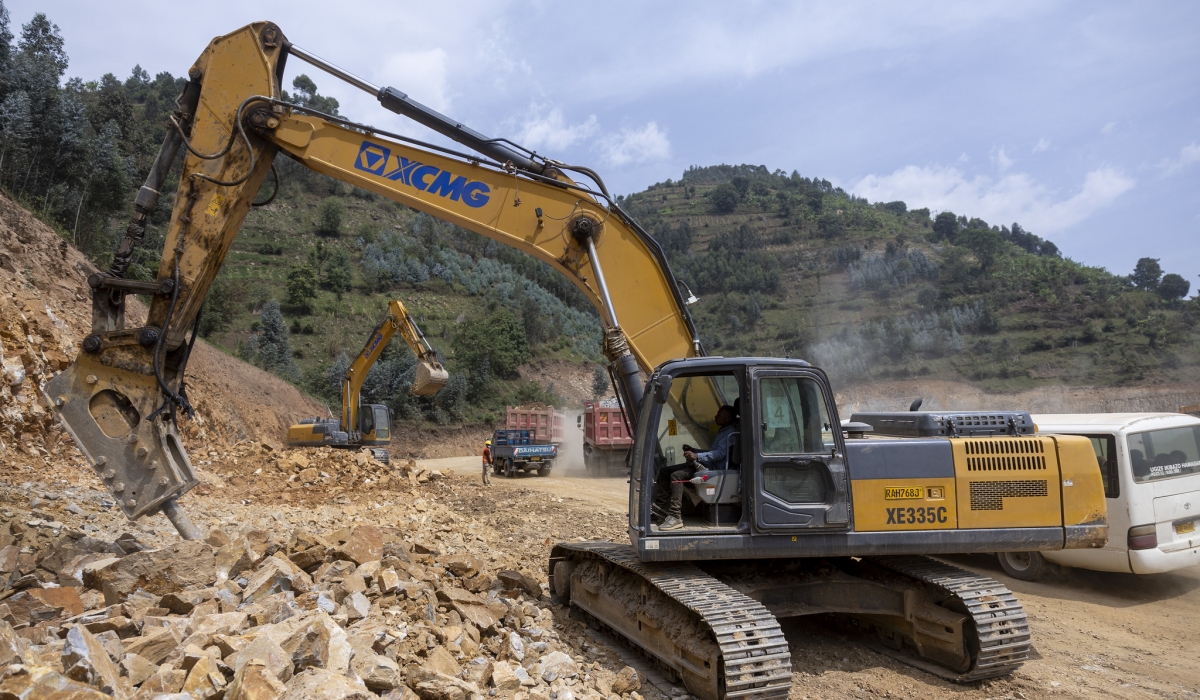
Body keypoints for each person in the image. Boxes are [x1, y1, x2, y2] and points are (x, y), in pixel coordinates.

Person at [659, 405, 738, 531]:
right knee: (664, 471)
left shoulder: (730, 434)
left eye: (719, 415)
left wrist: (696, 456)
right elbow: (713, 452)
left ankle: (675, 516)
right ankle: (661, 509)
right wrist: (695, 451)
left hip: (713, 468)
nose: (715, 417)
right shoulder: (724, 431)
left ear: (727, 418)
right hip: (709, 463)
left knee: (676, 476)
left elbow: (719, 454)